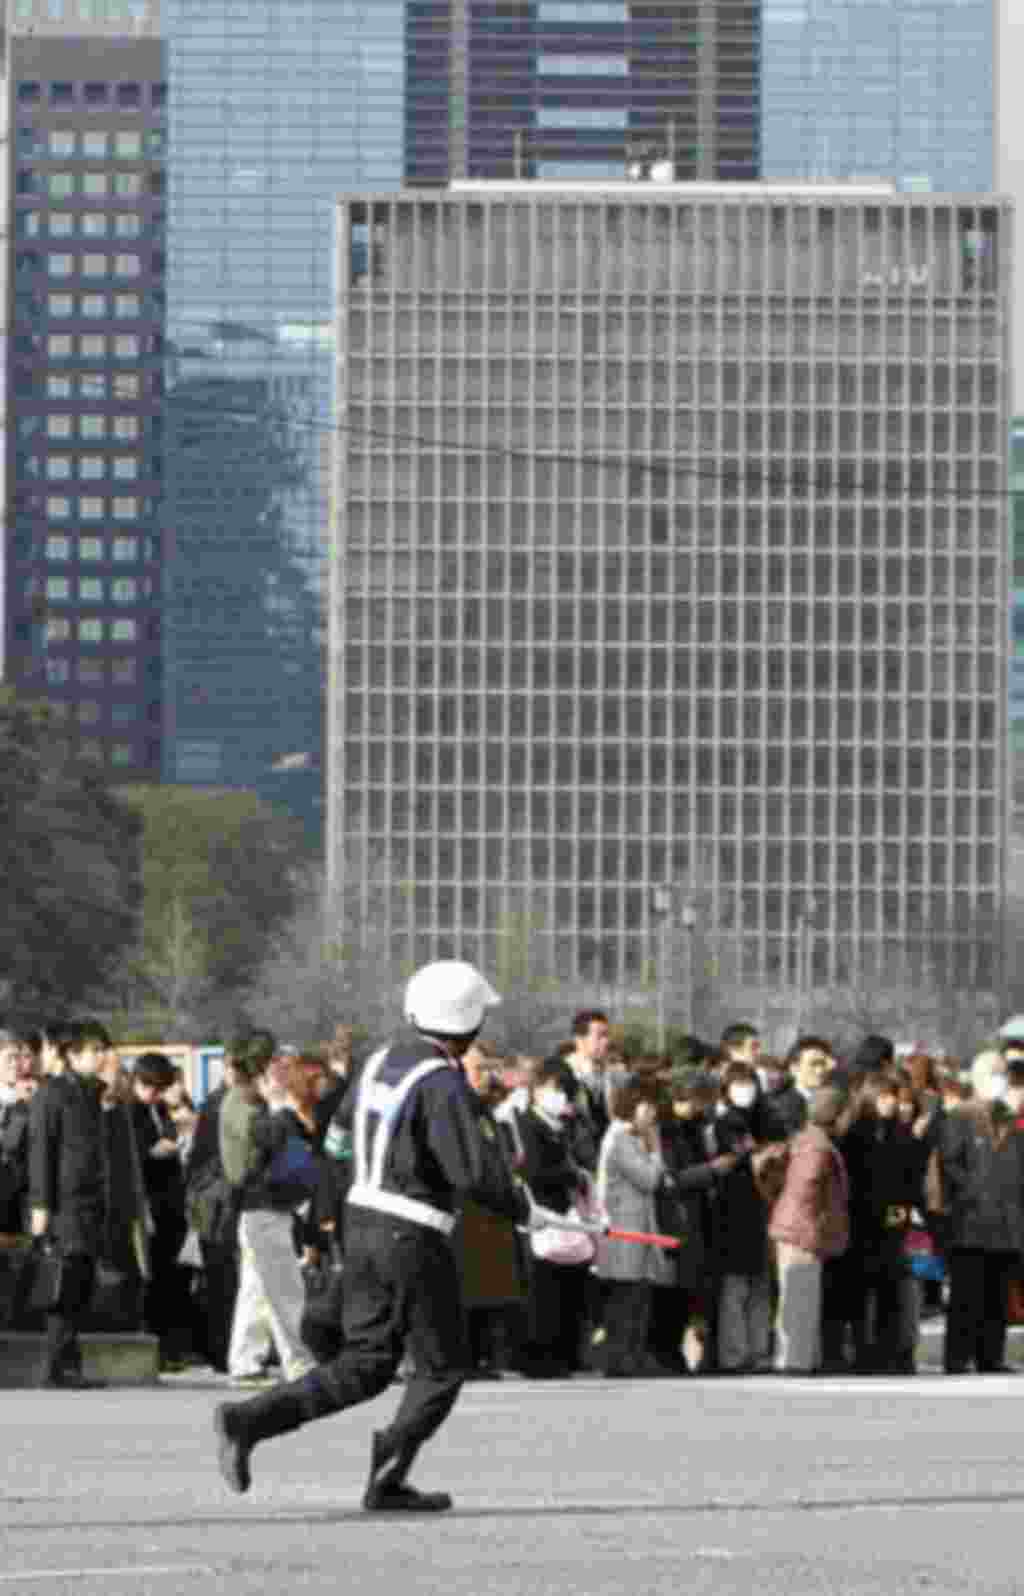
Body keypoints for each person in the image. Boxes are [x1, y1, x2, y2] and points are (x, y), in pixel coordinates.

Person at [213, 960, 539, 1512]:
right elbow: (473, 1173)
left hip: (363, 1223)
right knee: (442, 1365)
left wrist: (356, 1197)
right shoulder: (441, 1082)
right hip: (412, 1234)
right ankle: (387, 1473)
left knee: (367, 1364)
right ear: (467, 1020)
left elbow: (337, 1143)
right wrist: (518, 1204)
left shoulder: (377, 1062)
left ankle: (249, 1421)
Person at [27, 1018, 112, 1389]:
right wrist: (41, 1206)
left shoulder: (92, 1094)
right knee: (63, 1284)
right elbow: (40, 1151)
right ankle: (58, 1367)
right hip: (64, 1205)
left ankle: (68, 1364)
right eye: (92, 1050)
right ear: (71, 1054)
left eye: (101, 1049)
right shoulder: (52, 1093)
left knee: (79, 1284)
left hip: (91, 1203)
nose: (100, 1056)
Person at [768, 1085, 850, 1375]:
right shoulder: (817, 1146)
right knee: (799, 1298)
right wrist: (816, 1222)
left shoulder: (811, 1139)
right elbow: (807, 1185)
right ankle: (795, 1361)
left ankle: (801, 1358)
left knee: (801, 1296)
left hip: (798, 1228)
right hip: (802, 1230)